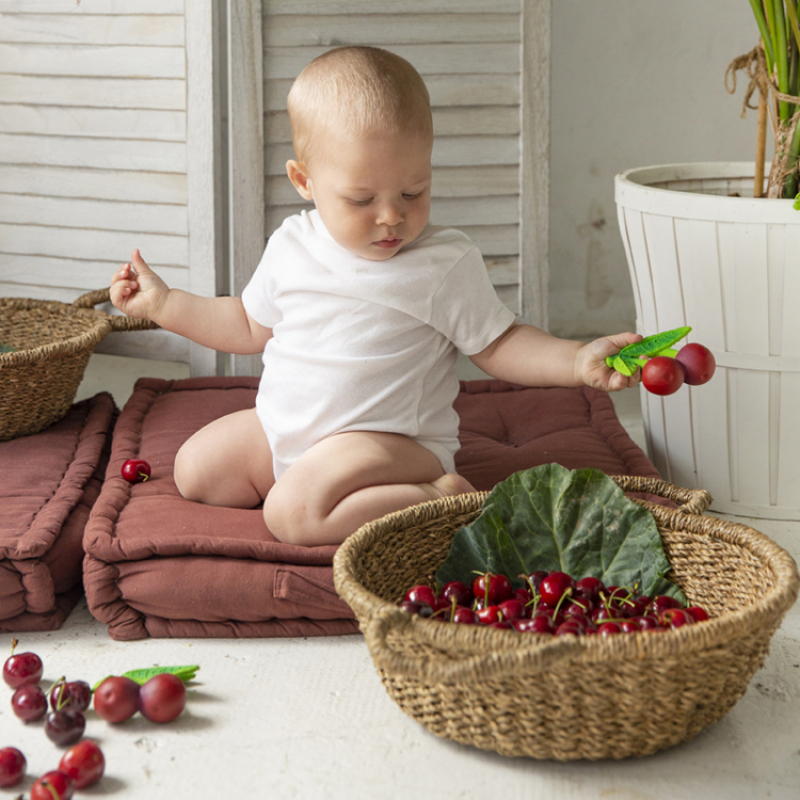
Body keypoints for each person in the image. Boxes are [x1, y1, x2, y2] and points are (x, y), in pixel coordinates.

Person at [110, 46, 640, 547]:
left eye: (414, 192)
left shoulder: (442, 263)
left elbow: (499, 343)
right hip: (286, 432)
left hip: (391, 445)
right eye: (362, 199)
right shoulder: (292, 244)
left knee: (290, 515)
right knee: (195, 470)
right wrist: (164, 304)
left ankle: (437, 496)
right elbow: (246, 325)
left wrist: (574, 358)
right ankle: (317, 488)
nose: (392, 216)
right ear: (305, 180)